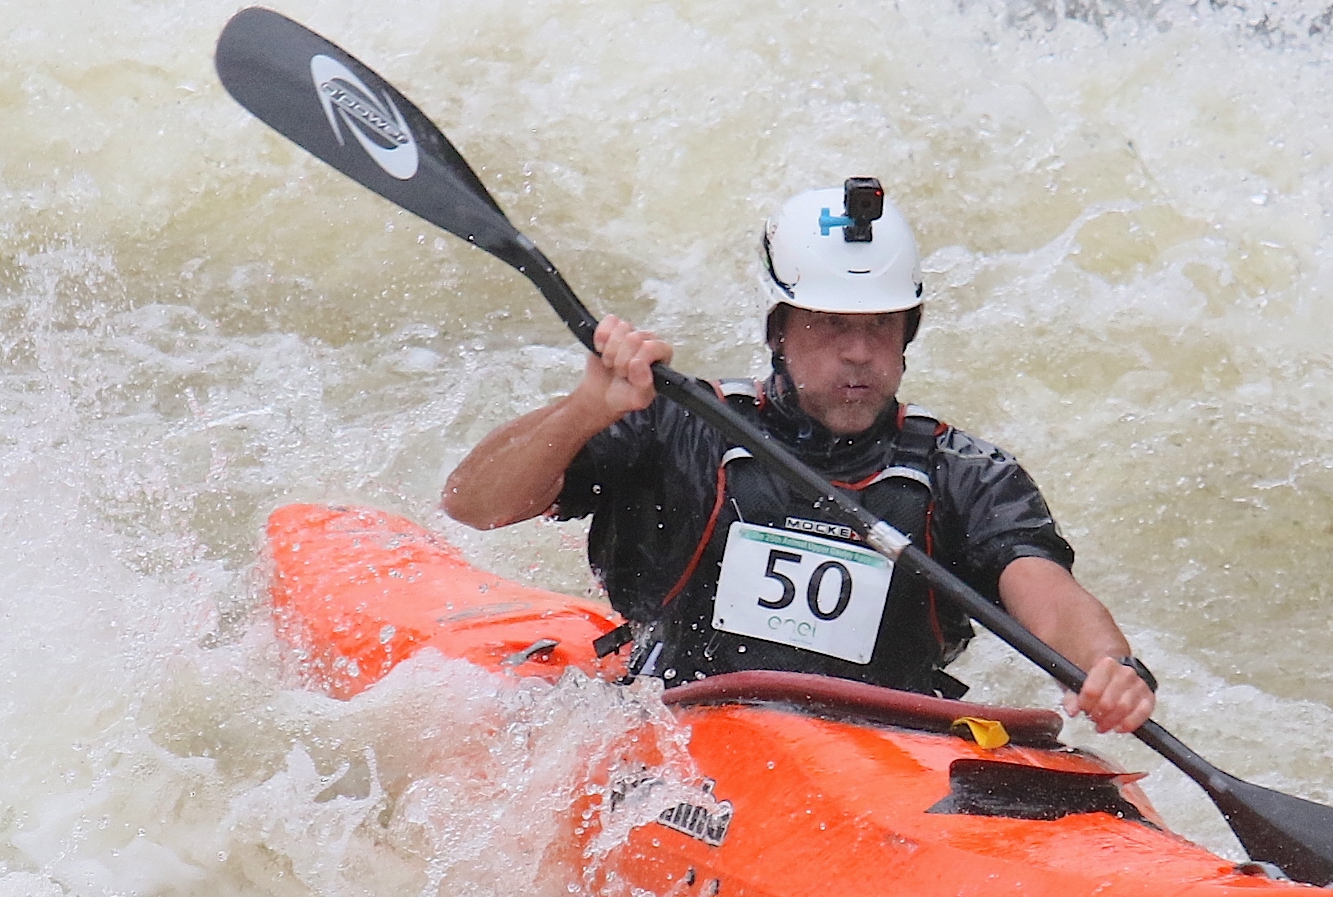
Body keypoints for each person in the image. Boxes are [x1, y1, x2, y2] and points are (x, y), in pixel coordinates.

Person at [442, 177, 1157, 734]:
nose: (857, 351)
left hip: (885, 754)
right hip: (673, 726)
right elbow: (474, 504)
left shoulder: (965, 474)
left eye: (880, 326)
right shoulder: (679, 425)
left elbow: (1052, 602)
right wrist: (585, 409)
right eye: (829, 325)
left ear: (908, 332)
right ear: (779, 329)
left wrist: (1108, 666)